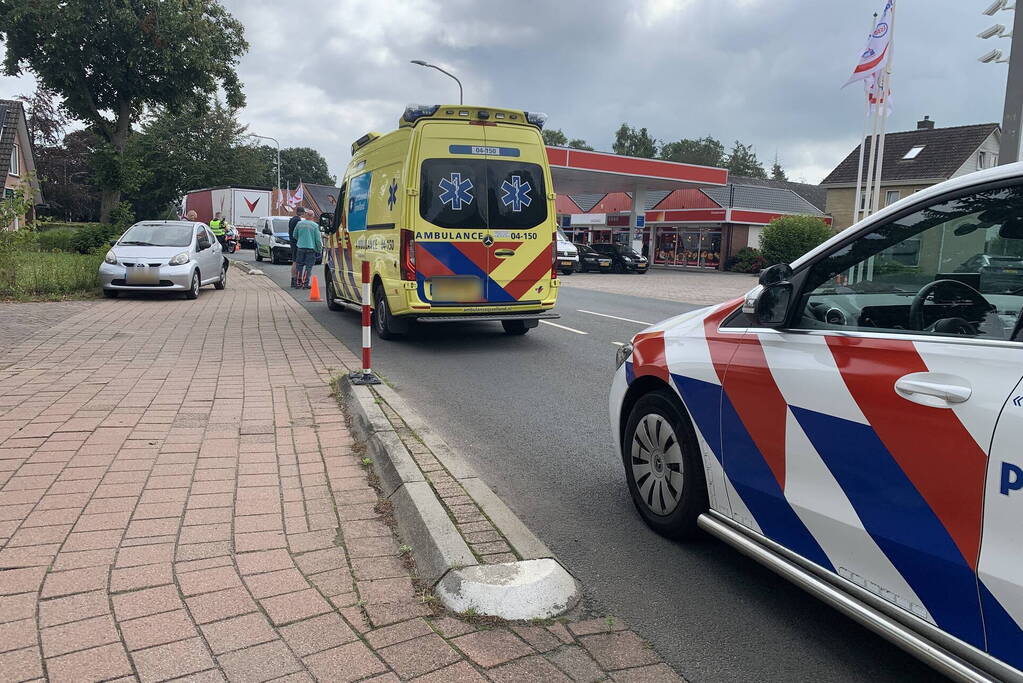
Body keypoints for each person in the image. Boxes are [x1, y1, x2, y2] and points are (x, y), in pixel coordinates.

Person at [292, 213, 322, 289]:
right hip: (311, 248)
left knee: (299, 265)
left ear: (305, 216)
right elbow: (318, 240)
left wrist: (300, 240)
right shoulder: (315, 225)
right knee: (308, 266)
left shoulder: (299, 224)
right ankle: (305, 284)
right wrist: (319, 249)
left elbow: (294, 235)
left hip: (300, 247)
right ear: (312, 216)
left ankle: (298, 283)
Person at [288, 208, 306, 288]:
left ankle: (293, 280)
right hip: (297, 243)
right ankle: (296, 280)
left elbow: (289, 231)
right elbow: (298, 233)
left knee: (294, 261)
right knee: (297, 262)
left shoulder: (292, 220)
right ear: (302, 213)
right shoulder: (298, 221)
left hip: (292, 242)